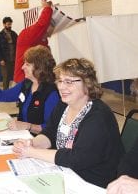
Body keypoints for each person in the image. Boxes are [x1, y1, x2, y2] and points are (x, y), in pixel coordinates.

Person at [13, 58, 124, 188]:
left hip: (94, 182)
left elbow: (77, 159)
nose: (61, 87)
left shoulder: (98, 116)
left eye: (69, 82)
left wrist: (31, 152)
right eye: (60, 81)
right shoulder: (64, 104)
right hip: (67, 172)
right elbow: (50, 133)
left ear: (87, 84)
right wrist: (32, 143)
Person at [0, 45, 59, 135]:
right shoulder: (26, 84)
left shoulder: (51, 93)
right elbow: (2, 95)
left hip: (40, 140)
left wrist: (27, 126)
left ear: (39, 68)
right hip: (23, 134)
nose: (22, 67)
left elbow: (51, 127)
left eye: (27, 64)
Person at [14, 0, 54, 83]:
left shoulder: (42, 41)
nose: (49, 35)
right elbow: (42, 24)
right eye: (47, 33)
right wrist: (47, 8)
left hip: (35, 81)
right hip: (23, 81)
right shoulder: (26, 35)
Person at [0, 17, 18, 90]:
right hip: (5, 60)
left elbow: (18, 45)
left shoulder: (14, 34)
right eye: (8, 24)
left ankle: (16, 91)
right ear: (4, 24)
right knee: (6, 77)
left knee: (16, 76)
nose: (10, 26)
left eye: (10, 24)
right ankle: (5, 92)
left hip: (14, 59)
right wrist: (1, 59)